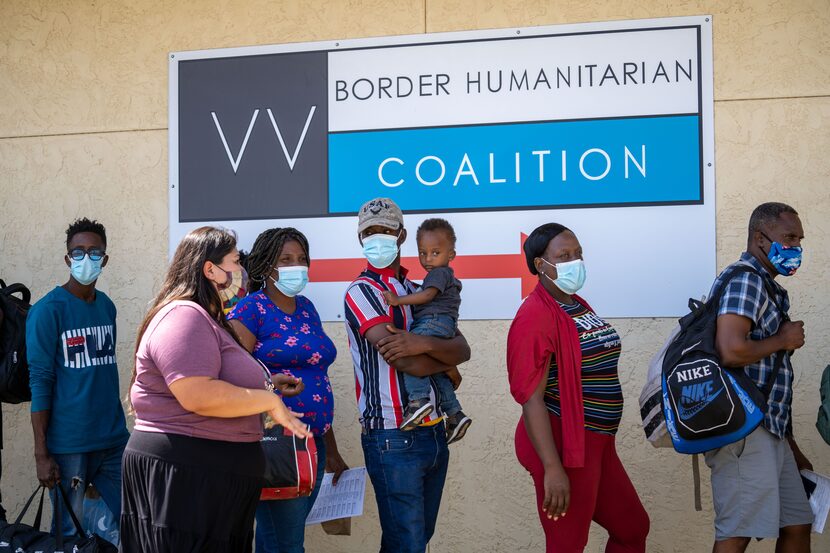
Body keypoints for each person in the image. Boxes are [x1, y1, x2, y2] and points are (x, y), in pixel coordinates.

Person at [120, 226, 310, 553]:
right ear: (211, 269)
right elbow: (197, 393)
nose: (242, 271)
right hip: (187, 479)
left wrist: (265, 386)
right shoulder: (184, 316)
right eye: (235, 262)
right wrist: (267, 400)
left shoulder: (209, 318)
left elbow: (216, 377)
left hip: (212, 479)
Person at [507, 223, 649, 552]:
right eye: (564, 255)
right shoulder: (535, 315)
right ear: (540, 265)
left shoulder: (576, 305)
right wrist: (553, 468)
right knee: (567, 544)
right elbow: (531, 399)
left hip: (597, 441)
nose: (576, 261)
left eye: (578, 254)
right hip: (563, 444)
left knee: (632, 527)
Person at [343, 198, 471, 553]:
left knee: (412, 542)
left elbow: (463, 350)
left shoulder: (418, 290)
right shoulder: (362, 292)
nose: (377, 238)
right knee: (409, 544)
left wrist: (422, 344)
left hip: (432, 433)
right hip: (390, 435)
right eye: (369, 232)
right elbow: (405, 360)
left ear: (400, 236)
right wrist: (440, 358)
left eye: (385, 230)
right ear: (360, 239)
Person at [228, 227, 347, 553]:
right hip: (276, 444)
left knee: (278, 542)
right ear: (267, 267)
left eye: (302, 259)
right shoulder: (251, 310)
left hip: (315, 442)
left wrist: (331, 448)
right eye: (286, 259)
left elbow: (317, 377)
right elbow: (233, 375)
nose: (297, 266)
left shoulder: (307, 307)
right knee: (286, 545)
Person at [707, 202, 813, 552]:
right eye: (788, 238)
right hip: (744, 431)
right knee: (737, 532)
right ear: (760, 238)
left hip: (770, 431)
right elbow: (730, 350)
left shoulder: (767, 286)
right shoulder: (746, 279)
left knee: (796, 522)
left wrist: (790, 445)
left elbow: (771, 376)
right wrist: (782, 339)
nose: (795, 248)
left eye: (798, 240)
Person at [26, 217, 129, 537]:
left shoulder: (107, 307)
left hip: (113, 440)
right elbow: (40, 381)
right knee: (68, 533)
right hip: (69, 446)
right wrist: (41, 454)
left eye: (94, 252)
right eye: (78, 252)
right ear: (67, 258)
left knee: (137, 518)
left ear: (105, 259)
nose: (87, 258)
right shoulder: (48, 311)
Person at [381, 218, 472, 443]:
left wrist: (397, 300)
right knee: (436, 372)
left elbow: (427, 295)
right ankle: (454, 414)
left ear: (451, 255)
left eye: (435, 252)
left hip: (433, 321)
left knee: (412, 355)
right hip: (445, 326)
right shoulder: (444, 274)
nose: (428, 259)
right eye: (423, 253)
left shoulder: (438, 274)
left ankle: (418, 401)